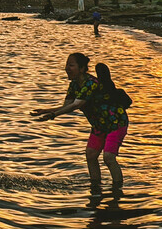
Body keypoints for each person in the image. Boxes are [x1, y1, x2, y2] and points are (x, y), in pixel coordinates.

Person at [32, 52, 129, 194]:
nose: (67, 68)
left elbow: (77, 105)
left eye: (71, 65)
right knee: (90, 154)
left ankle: (117, 192)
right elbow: (67, 105)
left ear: (82, 68)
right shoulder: (74, 85)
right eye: (66, 65)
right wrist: (46, 110)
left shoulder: (90, 83)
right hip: (99, 126)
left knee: (108, 158)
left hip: (115, 122)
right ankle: (96, 188)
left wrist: (53, 115)